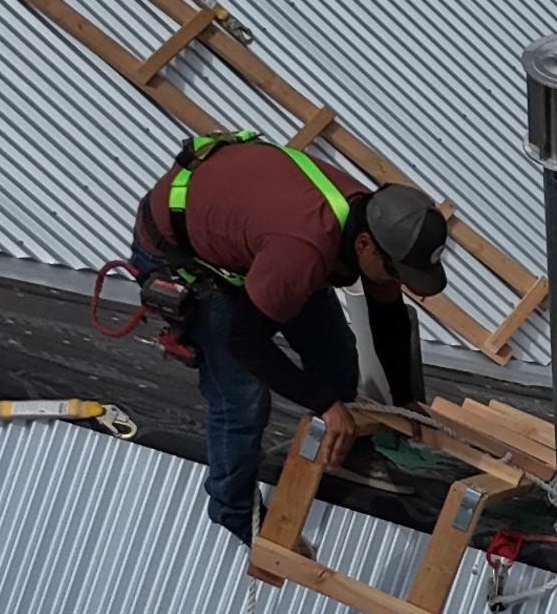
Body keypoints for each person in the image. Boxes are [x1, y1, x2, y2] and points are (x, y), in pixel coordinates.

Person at [129, 134, 448, 541]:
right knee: (241, 399)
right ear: (365, 245)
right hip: (185, 256)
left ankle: (347, 454)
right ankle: (234, 508)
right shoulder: (304, 247)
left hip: (258, 244)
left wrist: (404, 400)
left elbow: (387, 317)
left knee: (333, 349)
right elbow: (246, 343)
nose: (397, 282)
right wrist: (327, 406)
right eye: (397, 273)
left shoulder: (375, 225)